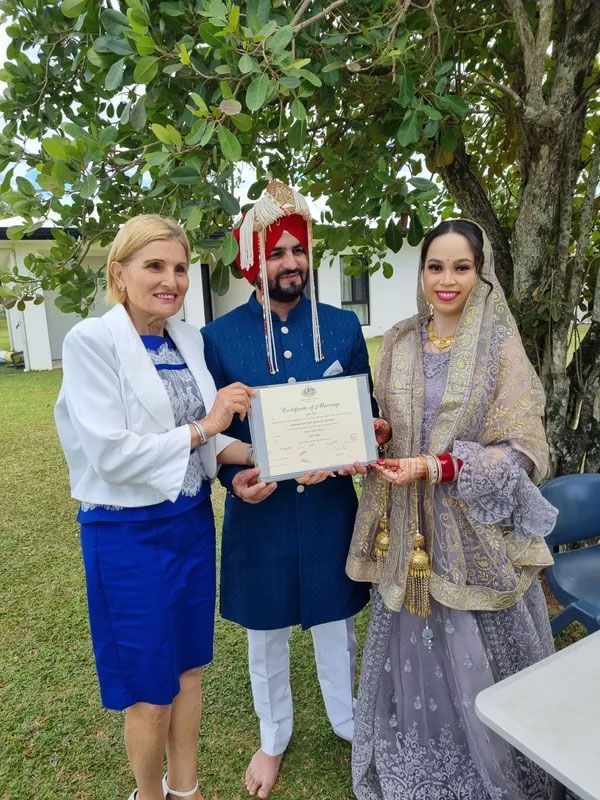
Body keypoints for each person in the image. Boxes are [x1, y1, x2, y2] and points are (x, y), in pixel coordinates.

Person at [54, 214, 270, 800]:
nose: (170, 279)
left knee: (189, 672)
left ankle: (187, 790)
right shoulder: (92, 342)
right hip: (127, 535)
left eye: (179, 267)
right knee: (150, 693)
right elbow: (111, 455)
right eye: (154, 266)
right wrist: (208, 426)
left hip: (190, 524)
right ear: (119, 274)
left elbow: (206, 435)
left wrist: (272, 455)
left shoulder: (188, 338)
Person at [346, 219, 559, 799]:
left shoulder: (497, 347)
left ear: (480, 272)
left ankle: (500, 769)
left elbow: (523, 449)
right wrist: (381, 433)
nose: (446, 280)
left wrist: (441, 467)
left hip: (472, 534)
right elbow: (393, 424)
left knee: (477, 651)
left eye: (461, 267)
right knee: (411, 651)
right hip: (407, 530)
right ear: (421, 273)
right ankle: (422, 763)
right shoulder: (398, 340)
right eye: (435, 267)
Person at [201, 180, 377, 799]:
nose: (291, 263)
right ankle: (273, 735)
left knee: (337, 624)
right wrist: (233, 477)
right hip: (263, 513)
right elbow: (211, 434)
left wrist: (363, 440)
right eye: (277, 252)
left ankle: (348, 720)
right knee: (265, 632)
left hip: (329, 509)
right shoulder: (219, 339)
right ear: (255, 257)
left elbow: (367, 409)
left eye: (299, 250)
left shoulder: (342, 326)